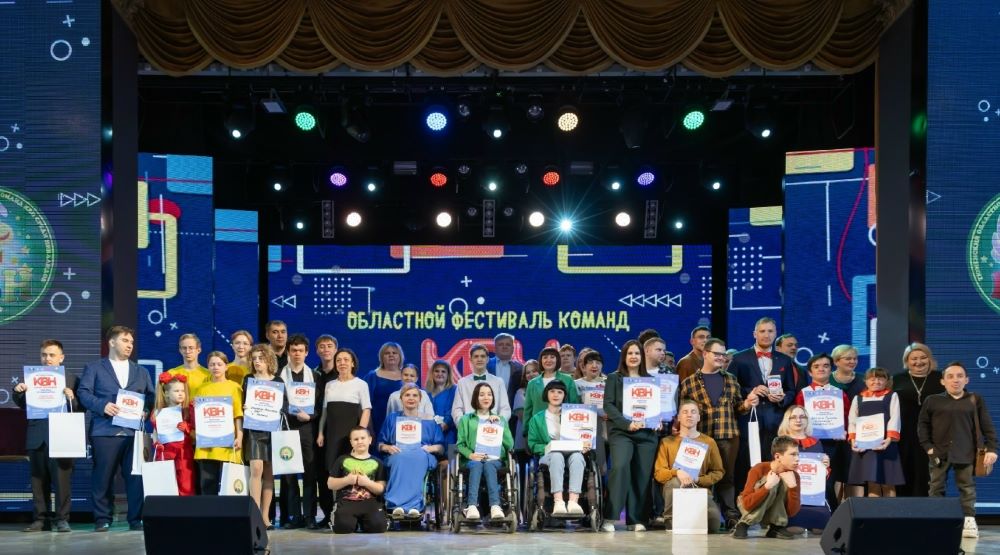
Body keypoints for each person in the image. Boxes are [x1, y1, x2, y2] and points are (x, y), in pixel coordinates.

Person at [78, 326, 154, 532]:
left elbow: (151, 396)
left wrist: (146, 410)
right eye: (125, 341)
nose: (130, 345)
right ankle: (102, 518)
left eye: (131, 342)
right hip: (104, 430)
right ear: (112, 342)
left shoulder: (141, 371)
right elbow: (83, 393)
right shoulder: (94, 367)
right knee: (103, 476)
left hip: (133, 432)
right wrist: (102, 405)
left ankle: (136, 519)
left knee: (136, 477)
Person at [678, 337, 757, 527]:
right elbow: (683, 412)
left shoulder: (731, 380)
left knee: (727, 477)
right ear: (705, 354)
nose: (722, 357)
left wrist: (747, 404)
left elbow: (738, 407)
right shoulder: (689, 383)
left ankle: (731, 516)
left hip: (728, 435)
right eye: (717, 354)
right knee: (699, 476)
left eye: (724, 354)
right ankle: (700, 516)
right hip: (700, 438)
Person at [918, 362, 998, 539]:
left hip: (966, 452)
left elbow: (987, 426)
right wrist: (928, 447)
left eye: (960, 376)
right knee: (936, 487)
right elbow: (922, 425)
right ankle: (935, 520)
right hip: (939, 453)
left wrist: (992, 449)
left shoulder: (975, 400)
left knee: (967, 488)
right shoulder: (932, 400)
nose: (955, 380)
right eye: (950, 376)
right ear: (943, 381)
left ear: (966, 380)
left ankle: (969, 520)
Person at [12, 339, 78, 532]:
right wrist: (18, 391)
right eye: (44, 355)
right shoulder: (31, 378)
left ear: (61, 358)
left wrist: (71, 397)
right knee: (38, 480)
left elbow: (78, 407)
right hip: (37, 435)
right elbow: (22, 404)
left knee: (62, 481)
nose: (47, 359)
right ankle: (40, 519)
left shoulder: (71, 379)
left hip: (62, 435)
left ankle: (62, 519)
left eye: (52, 355)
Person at [729, 317, 796, 500]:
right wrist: (751, 391)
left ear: (776, 334)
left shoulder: (785, 360)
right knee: (746, 464)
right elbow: (731, 389)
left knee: (774, 465)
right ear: (755, 334)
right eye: (762, 331)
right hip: (749, 420)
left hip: (775, 421)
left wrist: (783, 398)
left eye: (770, 331)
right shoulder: (739, 358)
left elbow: (791, 390)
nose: (766, 335)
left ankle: (771, 506)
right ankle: (743, 505)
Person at [602, 340, 658, 532]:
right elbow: (608, 405)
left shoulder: (651, 381)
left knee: (641, 475)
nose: (634, 357)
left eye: (637, 353)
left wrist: (658, 419)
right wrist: (627, 423)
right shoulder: (614, 378)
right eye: (630, 353)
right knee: (620, 467)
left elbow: (657, 408)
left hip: (646, 433)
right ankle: (610, 517)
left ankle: (636, 519)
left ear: (642, 356)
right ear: (624, 357)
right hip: (621, 432)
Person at [653, 399, 724, 532]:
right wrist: (677, 472)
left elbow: (718, 472)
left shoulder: (709, 442)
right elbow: (659, 473)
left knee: (713, 524)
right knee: (675, 481)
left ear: (698, 417)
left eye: (693, 412)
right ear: (679, 418)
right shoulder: (667, 442)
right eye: (685, 412)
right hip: (675, 489)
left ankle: (689, 520)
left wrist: (698, 479)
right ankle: (670, 520)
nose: (689, 415)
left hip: (699, 490)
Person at [794, 353, 854, 504]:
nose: (821, 369)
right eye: (816, 366)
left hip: (834, 444)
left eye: (825, 366)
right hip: (810, 444)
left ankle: (834, 513)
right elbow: (797, 419)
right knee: (814, 481)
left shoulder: (840, 393)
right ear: (810, 372)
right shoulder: (803, 393)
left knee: (831, 481)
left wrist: (844, 431)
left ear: (831, 370)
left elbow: (848, 418)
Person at [378, 384, 445, 517]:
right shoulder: (392, 418)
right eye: (407, 395)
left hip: (422, 454)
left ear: (420, 399)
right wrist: (388, 447)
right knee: (400, 457)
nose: (411, 398)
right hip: (398, 453)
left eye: (415, 395)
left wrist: (430, 448)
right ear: (401, 398)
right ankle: (396, 505)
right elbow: (380, 444)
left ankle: (415, 506)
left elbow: (441, 447)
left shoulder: (430, 420)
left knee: (418, 457)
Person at [527, 380, 589, 516]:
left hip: (572, 453)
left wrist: (585, 444)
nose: (556, 395)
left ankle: (573, 501)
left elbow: (584, 435)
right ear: (547, 394)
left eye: (560, 392)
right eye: (552, 391)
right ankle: (558, 501)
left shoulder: (574, 415)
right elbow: (533, 444)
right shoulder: (537, 419)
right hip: (549, 455)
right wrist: (549, 446)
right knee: (557, 455)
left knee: (578, 457)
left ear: (564, 395)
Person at [893, 342, 945, 497]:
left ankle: (931, 508)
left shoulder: (941, 378)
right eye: (914, 358)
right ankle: (903, 508)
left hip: (934, 435)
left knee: (930, 475)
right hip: (904, 436)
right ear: (906, 361)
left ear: (930, 359)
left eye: (923, 357)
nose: (919, 362)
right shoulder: (896, 379)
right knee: (904, 472)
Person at [456, 383, 514, 520]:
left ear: (493, 398)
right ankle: (471, 506)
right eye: (482, 394)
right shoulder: (466, 419)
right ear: (476, 397)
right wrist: (471, 455)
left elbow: (510, 444)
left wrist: (499, 425)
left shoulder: (500, 419)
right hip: (473, 459)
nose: (486, 397)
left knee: (489, 464)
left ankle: (495, 506)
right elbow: (460, 444)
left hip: (494, 460)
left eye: (489, 394)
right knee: (477, 465)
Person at [277, 334, 318, 528]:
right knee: (289, 475)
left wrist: (309, 416)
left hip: (307, 429)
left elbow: (320, 404)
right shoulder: (279, 376)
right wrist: (291, 411)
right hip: (286, 427)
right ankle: (294, 516)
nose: (297, 354)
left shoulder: (315, 376)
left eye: (301, 350)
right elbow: (278, 401)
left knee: (309, 474)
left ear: (306, 353)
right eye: (293, 350)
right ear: (288, 352)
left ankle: (310, 516)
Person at [242, 344, 284, 529]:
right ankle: (255, 514)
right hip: (254, 429)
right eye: (254, 359)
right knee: (256, 469)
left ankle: (265, 516)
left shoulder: (278, 381)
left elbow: (284, 406)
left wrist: (279, 409)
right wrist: (244, 406)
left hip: (272, 430)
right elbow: (242, 403)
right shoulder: (248, 379)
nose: (257, 362)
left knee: (268, 473)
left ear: (269, 360)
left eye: (261, 358)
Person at [317, 348, 372, 489]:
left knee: (352, 469)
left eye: (346, 360)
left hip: (351, 435)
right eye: (338, 360)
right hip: (332, 435)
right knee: (333, 470)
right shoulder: (330, 385)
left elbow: (366, 410)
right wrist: (320, 433)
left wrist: (360, 435)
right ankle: (335, 502)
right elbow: (324, 412)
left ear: (353, 363)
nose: (342, 363)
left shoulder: (361, 384)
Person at [192, 351, 244, 496]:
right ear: (208, 367)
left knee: (230, 485)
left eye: (219, 364)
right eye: (212, 364)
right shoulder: (201, 389)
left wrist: (239, 437)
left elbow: (238, 415)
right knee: (208, 485)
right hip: (207, 445)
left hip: (229, 443)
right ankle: (209, 510)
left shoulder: (234, 387)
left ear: (226, 367)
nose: (215, 367)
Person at [847, 367, 903, 498]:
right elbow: (852, 421)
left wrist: (888, 440)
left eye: (880, 378)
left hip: (885, 444)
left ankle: (891, 510)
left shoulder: (892, 396)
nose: (876, 381)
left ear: (886, 381)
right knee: (872, 483)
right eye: (872, 379)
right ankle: (874, 511)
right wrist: (853, 441)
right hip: (865, 447)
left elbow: (895, 418)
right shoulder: (858, 398)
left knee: (888, 483)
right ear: (865, 381)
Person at [732, 436, 801, 540]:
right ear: (778, 456)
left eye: (798, 454)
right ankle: (743, 523)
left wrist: (792, 488)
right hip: (750, 507)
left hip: (772, 510)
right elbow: (746, 504)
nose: (797, 459)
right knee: (771, 481)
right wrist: (767, 487)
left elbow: (791, 512)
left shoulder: (794, 476)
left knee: (781, 482)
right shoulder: (759, 469)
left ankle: (776, 527)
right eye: (793, 454)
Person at [776, 405, 831, 534]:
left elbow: (821, 475)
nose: (798, 420)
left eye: (802, 417)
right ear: (787, 421)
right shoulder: (780, 442)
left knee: (821, 530)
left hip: (813, 495)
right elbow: (775, 469)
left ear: (807, 420)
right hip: (790, 494)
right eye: (793, 417)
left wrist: (825, 467)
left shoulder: (816, 442)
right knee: (795, 529)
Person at [327, 427, 387, 534]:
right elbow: (330, 484)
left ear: (370, 440)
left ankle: (363, 523)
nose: (359, 441)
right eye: (356, 439)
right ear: (351, 443)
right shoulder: (342, 460)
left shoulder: (378, 462)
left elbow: (380, 489)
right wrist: (347, 480)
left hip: (370, 502)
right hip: (347, 501)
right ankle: (352, 523)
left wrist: (367, 483)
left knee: (378, 527)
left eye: (363, 438)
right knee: (342, 528)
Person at [151, 372, 196, 496]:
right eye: (176, 391)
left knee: (186, 485)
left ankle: (185, 507)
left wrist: (188, 428)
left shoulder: (189, 410)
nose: (181, 393)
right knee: (166, 486)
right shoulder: (158, 412)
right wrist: (156, 443)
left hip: (184, 454)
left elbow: (197, 436)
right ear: (166, 393)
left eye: (183, 391)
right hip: (165, 453)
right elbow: (155, 433)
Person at [312, 334, 338, 526]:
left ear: (335, 349)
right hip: (316, 429)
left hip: (338, 428)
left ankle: (342, 512)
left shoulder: (343, 373)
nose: (326, 349)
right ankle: (327, 514)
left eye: (329, 346)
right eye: (322, 346)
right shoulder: (312, 374)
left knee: (338, 471)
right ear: (317, 351)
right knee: (321, 473)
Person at [451, 343, 512, 424]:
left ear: (487, 359)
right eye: (476, 356)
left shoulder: (498, 382)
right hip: (469, 427)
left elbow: (505, 409)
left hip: (493, 427)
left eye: (482, 356)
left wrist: (497, 423)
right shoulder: (462, 383)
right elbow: (456, 409)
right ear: (470, 360)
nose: (479, 359)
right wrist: (464, 425)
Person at [522, 346, 579, 430]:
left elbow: (574, 405)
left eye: (552, 357)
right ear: (541, 361)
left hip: (562, 429)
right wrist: (526, 430)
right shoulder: (532, 383)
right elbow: (528, 410)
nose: (548, 360)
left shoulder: (568, 380)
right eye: (545, 357)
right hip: (538, 429)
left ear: (557, 360)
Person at [363, 342, 405, 438]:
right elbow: (365, 405)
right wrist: (369, 428)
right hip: (378, 424)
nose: (391, 355)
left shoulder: (408, 376)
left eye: (394, 353)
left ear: (400, 356)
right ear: (382, 357)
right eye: (387, 353)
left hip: (404, 426)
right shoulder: (372, 376)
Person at [426, 360, 458, 450]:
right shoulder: (426, 392)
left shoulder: (454, 390)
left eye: (443, 371)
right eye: (437, 371)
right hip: (431, 433)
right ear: (432, 373)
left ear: (448, 374)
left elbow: (454, 409)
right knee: (432, 457)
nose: (440, 374)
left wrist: (444, 424)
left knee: (452, 458)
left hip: (451, 433)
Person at [487, 332, 523, 406]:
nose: (504, 347)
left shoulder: (520, 368)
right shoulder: (485, 365)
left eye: (508, 344)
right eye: (501, 344)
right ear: (494, 349)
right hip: (488, 410)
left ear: (513, 349)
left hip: (512, 411)